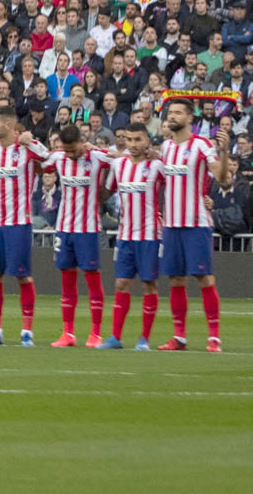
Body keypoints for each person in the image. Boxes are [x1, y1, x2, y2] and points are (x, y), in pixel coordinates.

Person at [155, 97, 229, 352]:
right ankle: (179, 337)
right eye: (170, 113)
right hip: (172, 224)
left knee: (204, 278)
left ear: (190, 118)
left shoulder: (201, 145)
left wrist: (225, 151)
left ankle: (214, 338)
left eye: (178, 113)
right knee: (175, 280)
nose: (172, 116)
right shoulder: (165, 148)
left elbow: (221, 179)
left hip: (196, 222)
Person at [0, 103, 47, 347]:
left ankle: (26, 332)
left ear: (9, 125)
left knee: (22, 276)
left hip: (18, 222)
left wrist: (31, 140)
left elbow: (48, 157)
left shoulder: (25, 148)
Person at [100, 126, 166, 350]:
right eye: (129, 139)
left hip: (149, 234)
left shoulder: (157, 166)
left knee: (148, 284)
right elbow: (106, 191)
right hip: (125, 234)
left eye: (138, 139)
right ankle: (115, 337)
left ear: (147, 141)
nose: (134, 143)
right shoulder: (119, 165)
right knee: (121, 283)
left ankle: (144, 339)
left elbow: (179, 183)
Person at [44, 123, 109, 348]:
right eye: (66, 150)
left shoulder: (97, 158)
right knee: (67, 281)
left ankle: (96, 333)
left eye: (73, 150)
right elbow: (39, 161)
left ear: (82, 142)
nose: (70, 155)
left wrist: (100, 150)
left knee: (92, 279)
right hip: (64, 227)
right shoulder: (59, 158)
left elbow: (123, 159)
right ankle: (68, 333)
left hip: (88, 229)